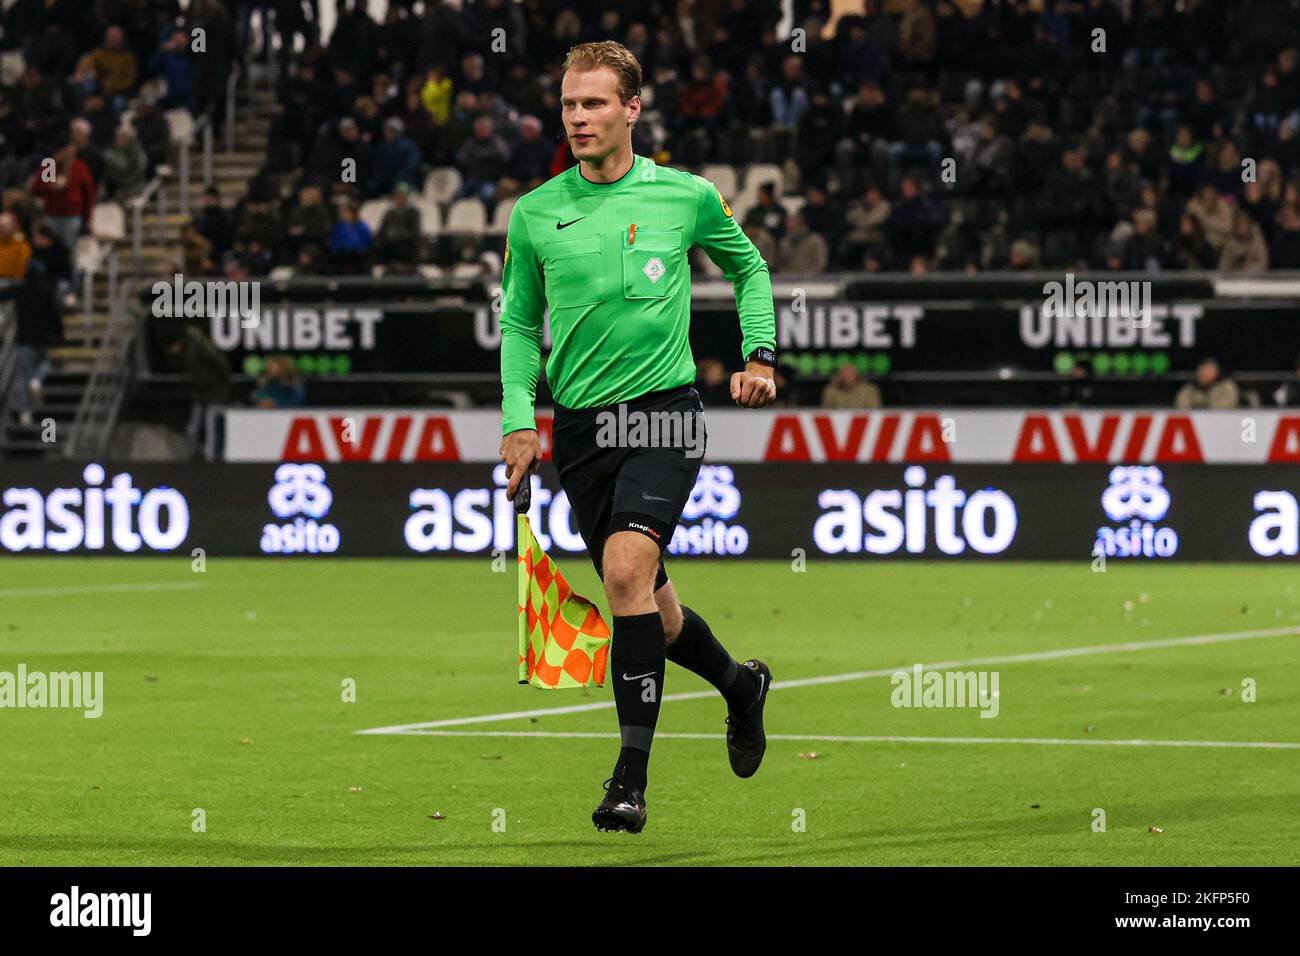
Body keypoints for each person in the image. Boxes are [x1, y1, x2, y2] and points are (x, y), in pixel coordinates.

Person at [498, 41, 775, 835]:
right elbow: (518, 322)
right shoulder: (534, 211)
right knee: (652, 607)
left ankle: (629, 779)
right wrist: (520, 417)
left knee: (623, 571)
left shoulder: (684, 196)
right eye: (568, 104)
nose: (578, 118)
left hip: (663, 414)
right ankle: (739, 686)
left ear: (631, 109)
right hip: (582, 430)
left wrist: (759, 354)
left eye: (593, 103)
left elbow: (750, 269)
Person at [0, 259, 62, 428]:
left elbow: (3, 295)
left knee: (25, 375)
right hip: (43, 339)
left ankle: (26, 413)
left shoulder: (20, 290)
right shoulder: (46, 291)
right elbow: (55, 316)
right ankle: (38, 379)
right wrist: (59, 335)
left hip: (24, 338)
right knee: (45, 364)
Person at [167, 325, 230, 458]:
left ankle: (210, 460)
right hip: (202, 395)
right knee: (195, 428)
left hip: (214, 393)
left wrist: (223, 385)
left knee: (211, 428)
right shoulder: (191, 351)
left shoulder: (198, 348)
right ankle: (196, 456)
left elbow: (221, 365)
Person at [1175, 357, 1240, 410]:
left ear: (1216, 372)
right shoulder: (1191, 386)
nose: (1204, 374)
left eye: (1208, 370)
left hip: (1223, 421)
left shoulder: (1227, 386)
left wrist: (1203, 406)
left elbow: (1228, 404)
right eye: (1201, 370)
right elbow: (1181, 401)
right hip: (1198, 419)